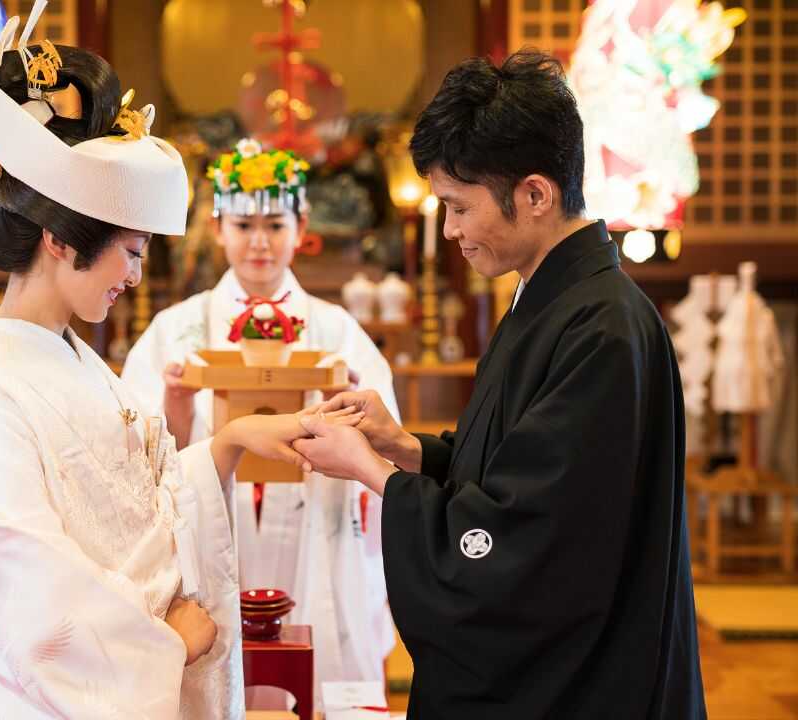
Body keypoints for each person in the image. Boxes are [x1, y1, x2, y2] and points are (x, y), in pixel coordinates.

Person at [0, 10, 361, 719]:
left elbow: (139, 514)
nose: (134, 275)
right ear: (60, 241)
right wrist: (169, 645)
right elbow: (32, 596)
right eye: (130, 252)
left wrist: (222, 446)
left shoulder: (76, 364)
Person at [293, 50, 706, 719]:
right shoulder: (547, 300)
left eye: (459, 207)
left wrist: (374, 475)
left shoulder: (603, 329)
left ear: (536, 194)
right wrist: (406, 448)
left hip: (585, 685)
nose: (450, 230)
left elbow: (524, 539)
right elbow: (515, 466)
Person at [121, 138, 397, 705]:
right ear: (219, 229)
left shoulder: (338, 329)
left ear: (301, 227)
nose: (260, 242)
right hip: (217, 527)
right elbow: (135, 449)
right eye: (244, 225)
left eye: (275, 223)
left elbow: (381, 434)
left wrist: (350, 410)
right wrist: (175, 404)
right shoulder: (176, 329)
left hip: (313, 522)